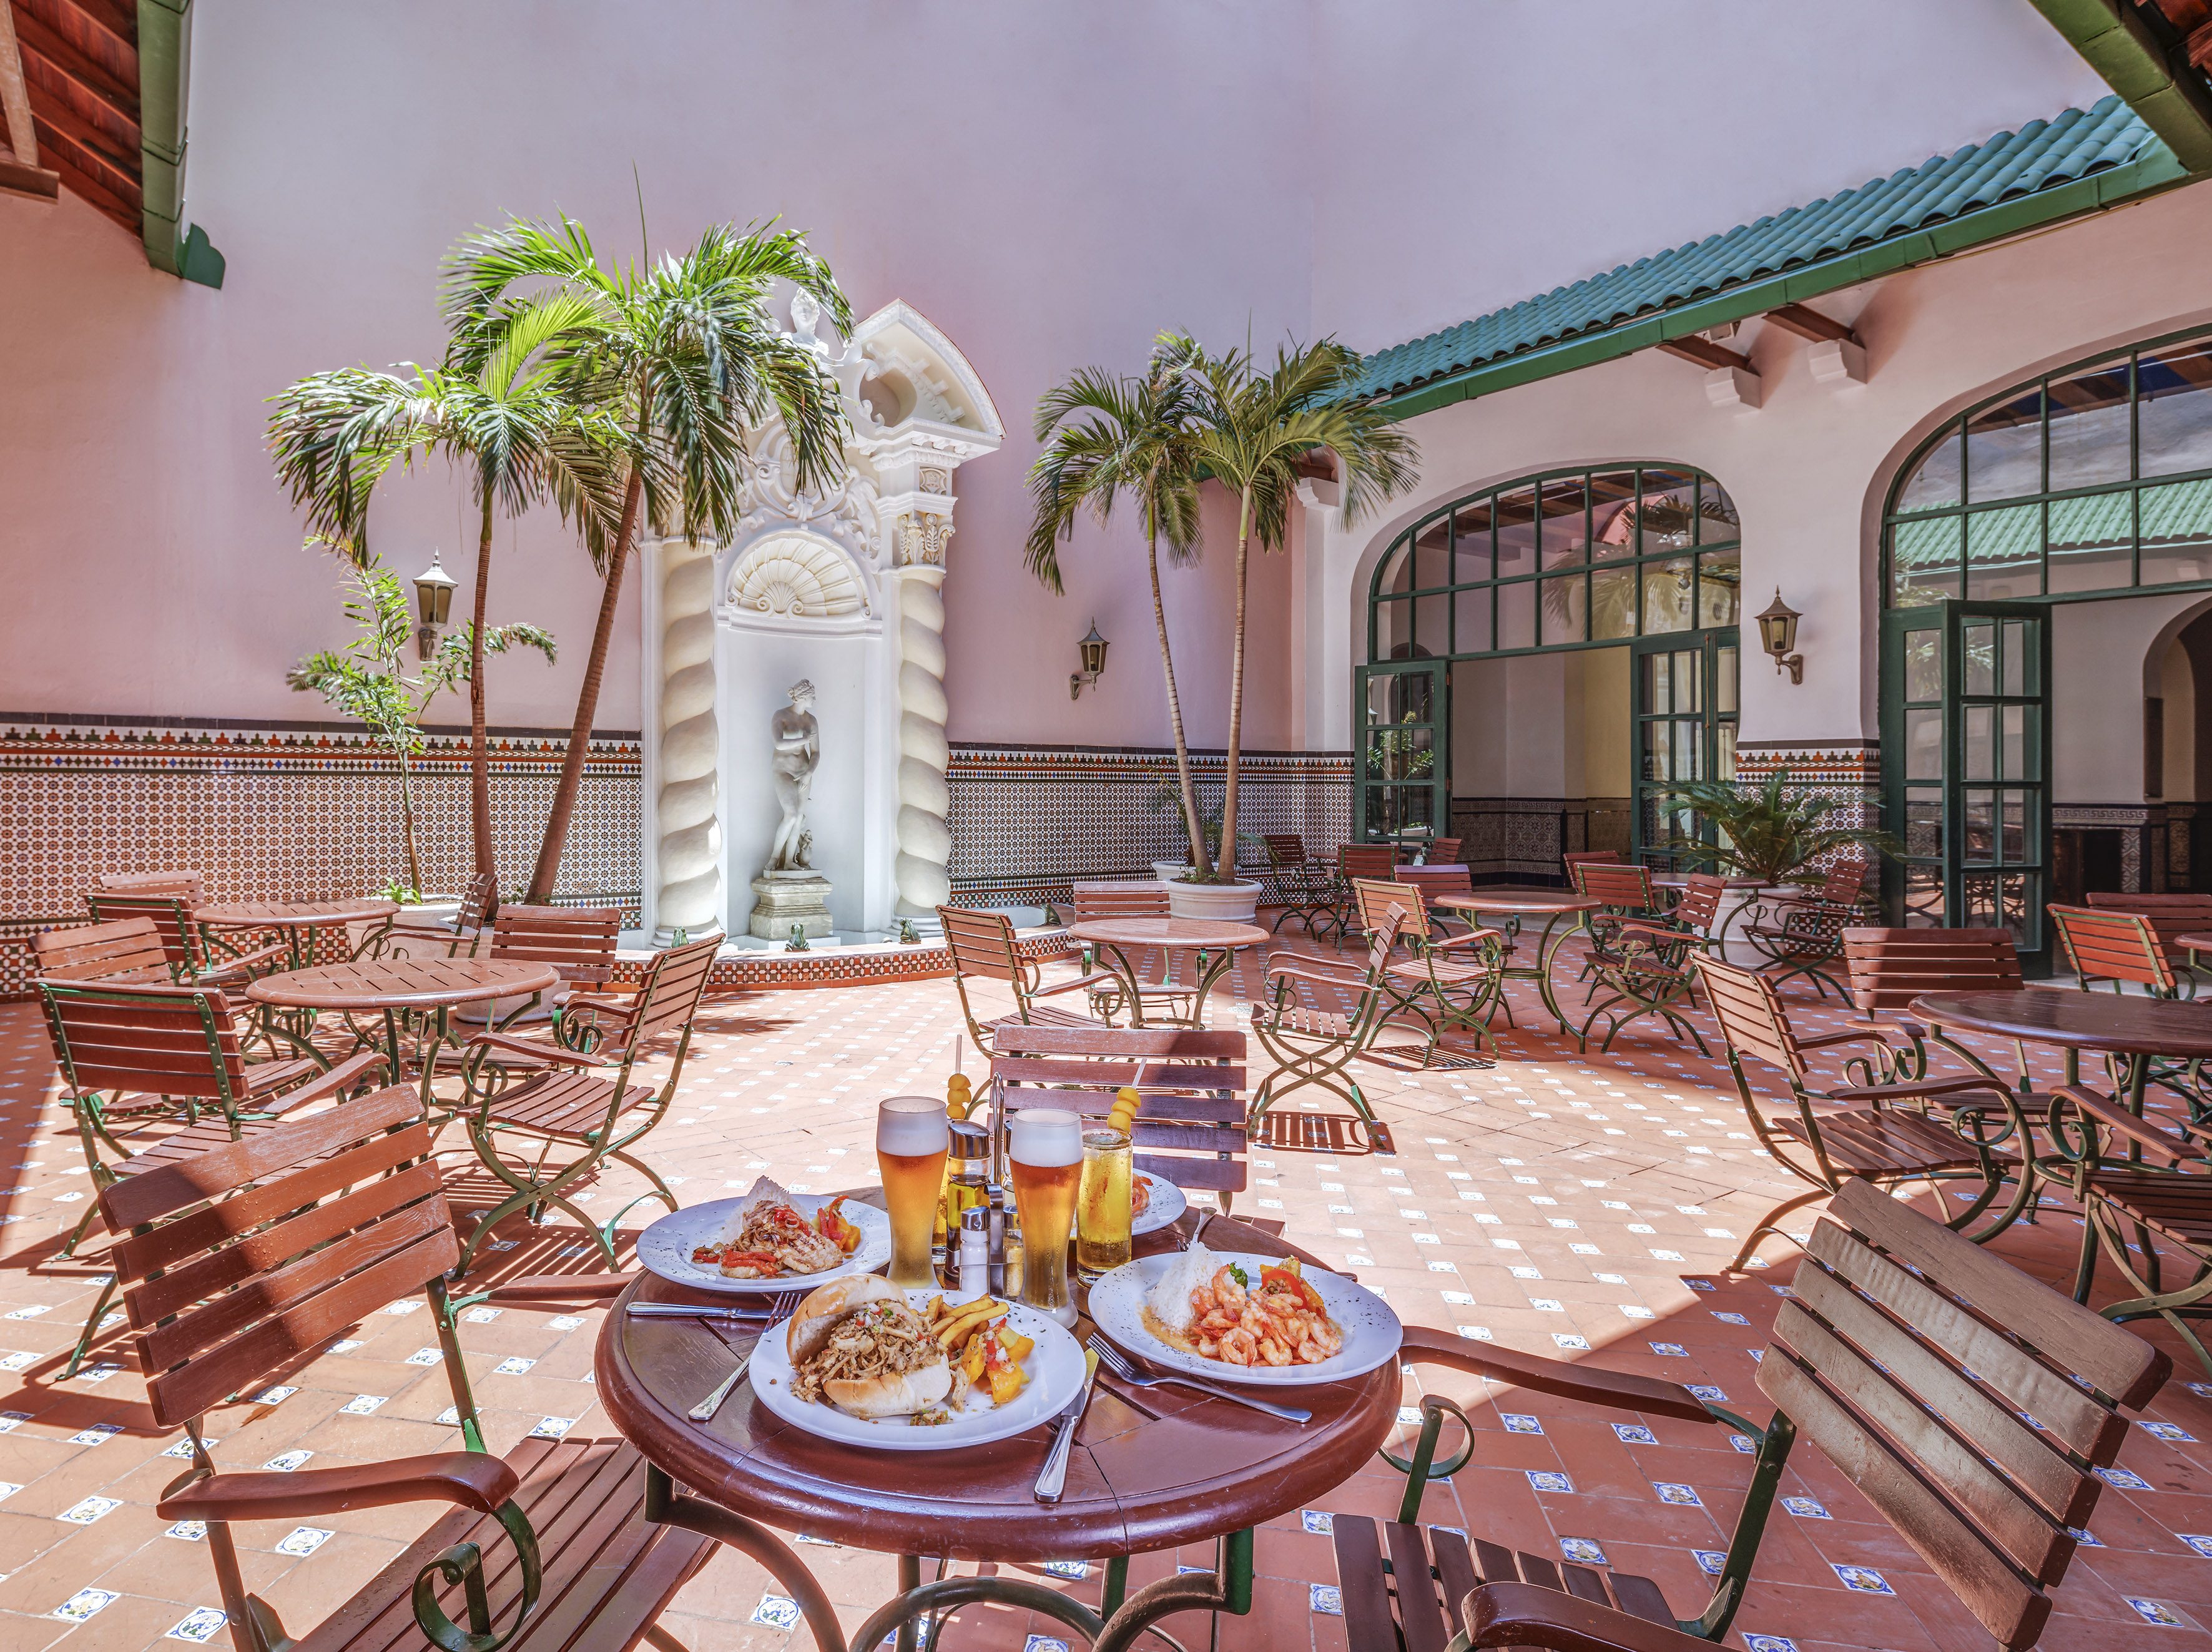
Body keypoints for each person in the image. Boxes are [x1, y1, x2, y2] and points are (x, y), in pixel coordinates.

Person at [767, 679, 820, 872]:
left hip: (803, 772)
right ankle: (774, 857)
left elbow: (816, 753)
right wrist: (803, 739)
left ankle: (789, 861)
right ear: (804, 697)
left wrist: (809, 773)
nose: (815, 699)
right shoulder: (780, 716)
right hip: (783, 770)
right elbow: (779, 744)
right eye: (812, 696)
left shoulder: (812, 721)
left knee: (798, 818)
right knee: (790, 815)